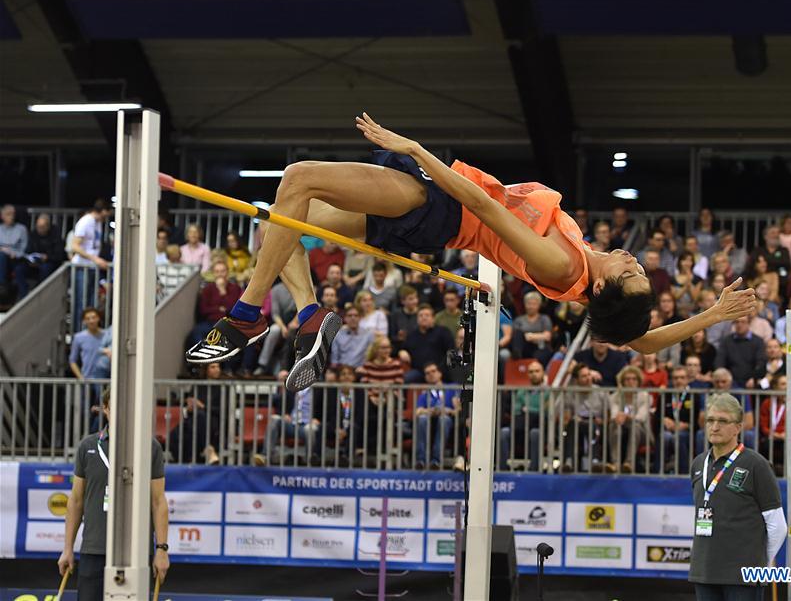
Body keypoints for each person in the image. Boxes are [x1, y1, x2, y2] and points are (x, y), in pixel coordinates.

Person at [184, 114, 755, 392]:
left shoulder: (564, 267)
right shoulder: (586, 271)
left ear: (606, 288)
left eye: (631, 274)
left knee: (299, 177)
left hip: (437, 204)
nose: (636, 262)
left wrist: (416, 150)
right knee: (281, 223)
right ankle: (309, 315)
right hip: (435, 214)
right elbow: (638, 338)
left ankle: (249, 312)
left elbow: (486, 211)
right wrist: (713, 314)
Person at [58, 389, 168, 601]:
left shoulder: (150, 447)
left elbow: (158, 502)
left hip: (135, 552)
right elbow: (76, 501)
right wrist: (67, 548)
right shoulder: (88, 446)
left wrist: (162, 549)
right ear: (106, 410)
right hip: (94, 549)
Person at [689, 393, 787, 601]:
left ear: (738, 427)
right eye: (711, 420)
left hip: (743, 576)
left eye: (723, 421)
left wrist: (759, 563)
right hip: (704, 571)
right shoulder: (698, 464)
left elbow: (777, 525)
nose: (714, 427)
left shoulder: (756, 464)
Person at [70, 200, 112, 327]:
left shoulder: (97, 223)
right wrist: (94, 259)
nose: (108, 216)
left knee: (91, 303)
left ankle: (89, 332)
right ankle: (79, 331)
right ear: (103, 210)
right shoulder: (86, 221)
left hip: (92, 267)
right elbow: (75, 246)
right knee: (81, 303)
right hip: (82, 267)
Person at [414, 363, 460, 469]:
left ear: (440, 373)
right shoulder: (425, 393)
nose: (431, 374)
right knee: (422, 419)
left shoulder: (452, 388)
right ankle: (420, 460)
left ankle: (436, 460)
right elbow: (418, 411)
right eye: (427, 373)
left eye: (433, 371)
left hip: (447, 420)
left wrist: (448, 410)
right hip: (430, 421)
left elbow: (458, 409)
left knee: (444, 419)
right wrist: (430, 410)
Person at [608, 365, 653, 474]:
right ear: (622, 382)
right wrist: (618, 417)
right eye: (627, 379)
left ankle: (629, 463)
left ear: (638, 381)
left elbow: (641, 418)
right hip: (621, 428)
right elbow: (614, 415)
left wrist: (626, 417)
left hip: (642, 432)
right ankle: (615, 464)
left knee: (635, 425)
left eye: (634, 379)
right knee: (615, 425)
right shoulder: (615, 397)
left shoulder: (645, 396)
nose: (631, 382)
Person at [11, 212, 66, 300]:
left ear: (48, 226)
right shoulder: (33, 234)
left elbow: (59, 256)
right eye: (38, 226)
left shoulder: (56, 235)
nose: (39, 229)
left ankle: (37, 293)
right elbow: (28, 251)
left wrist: (47, 257)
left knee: (45, 268)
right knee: (19, 269)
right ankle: (23, 294)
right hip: (34, 263)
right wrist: (30, 260)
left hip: (50, 263)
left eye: (42, 227)